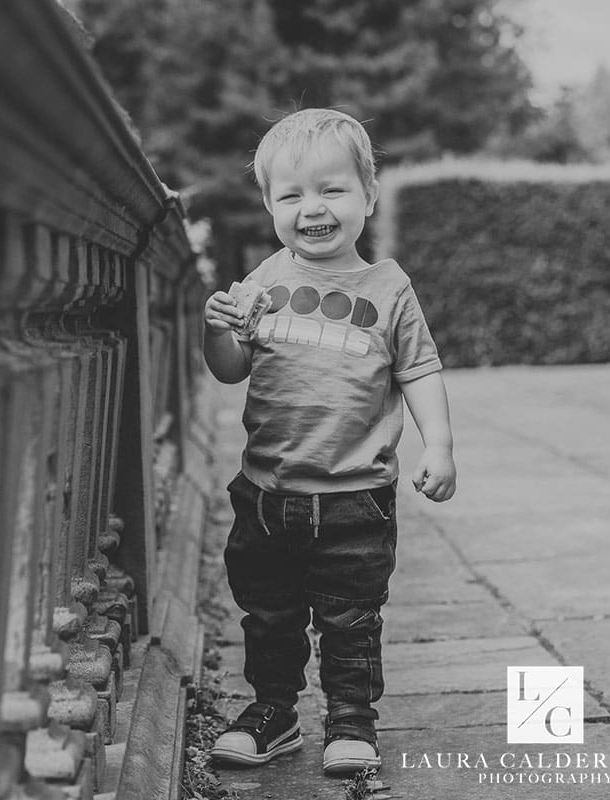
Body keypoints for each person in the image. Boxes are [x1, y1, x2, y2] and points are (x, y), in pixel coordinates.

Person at [203, 108, 456, 775]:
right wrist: (218, 329)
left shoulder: (389, 289)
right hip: (267, 496)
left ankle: (351, 721)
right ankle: (274, 712)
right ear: (269, 206)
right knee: (269, 615)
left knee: (351, 621)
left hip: (355, 498)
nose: (312, 208)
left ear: (368, 196)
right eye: (292, 195)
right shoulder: (261, 285)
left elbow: (420, 368)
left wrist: (440, 446)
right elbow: (230, 369)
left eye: (332, 190)